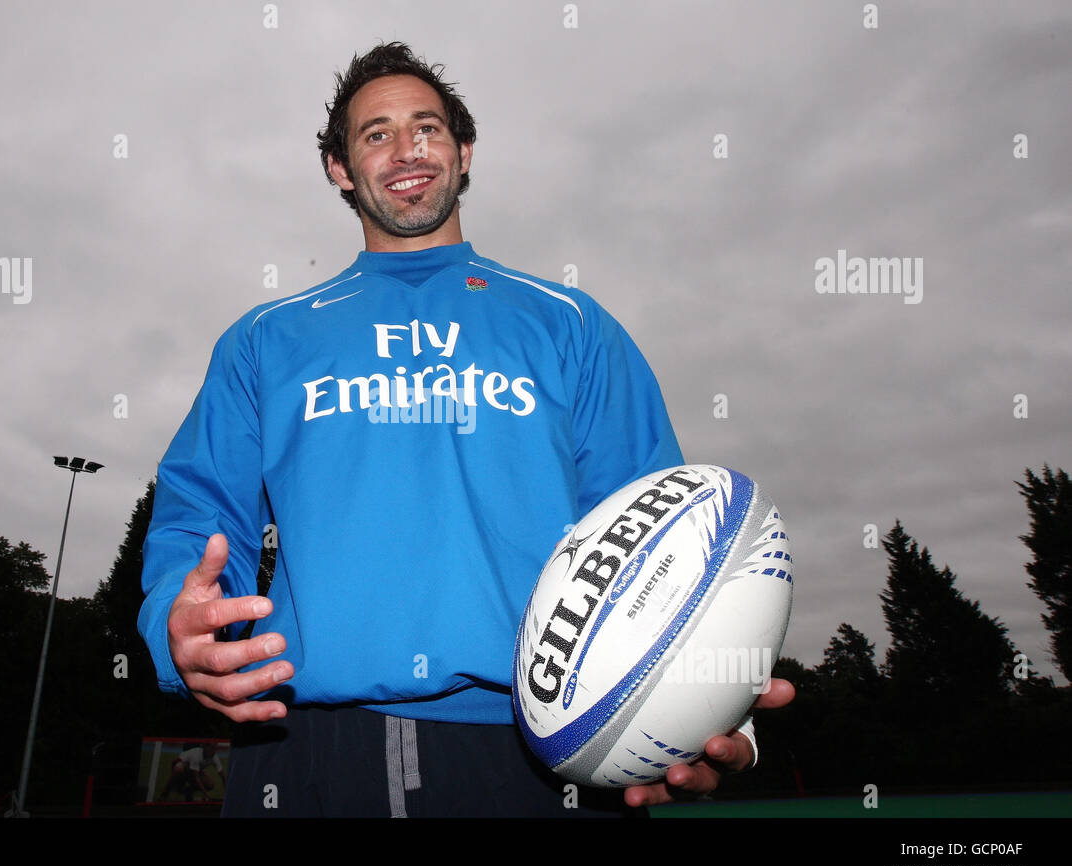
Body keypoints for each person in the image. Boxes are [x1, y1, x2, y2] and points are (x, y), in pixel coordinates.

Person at [139, 42, 793, 817]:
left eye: (427, 127)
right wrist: (175, 628)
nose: (406, 148)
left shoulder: (571, 325)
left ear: (464, 150)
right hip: (299, 750)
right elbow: (199, 514)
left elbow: (662, 537)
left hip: (536, 756)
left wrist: (714, 707)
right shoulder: (266, 340)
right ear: (339, 169)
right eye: (374, 134)